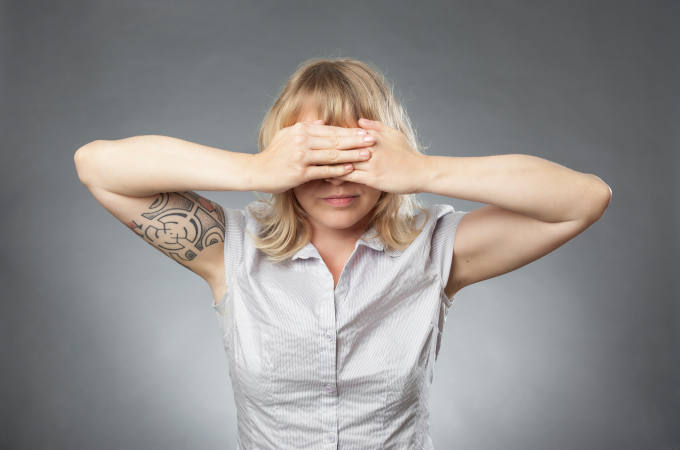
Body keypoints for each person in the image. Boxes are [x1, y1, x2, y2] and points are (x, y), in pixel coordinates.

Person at [73, 57, 612, 449]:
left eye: (354, 152)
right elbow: (97, 166)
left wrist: (424, 170)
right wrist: (254, 170)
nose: (336, 176)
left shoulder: (438, 249)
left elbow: (584, 199)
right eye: (315, 154)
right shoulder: (229, 249)